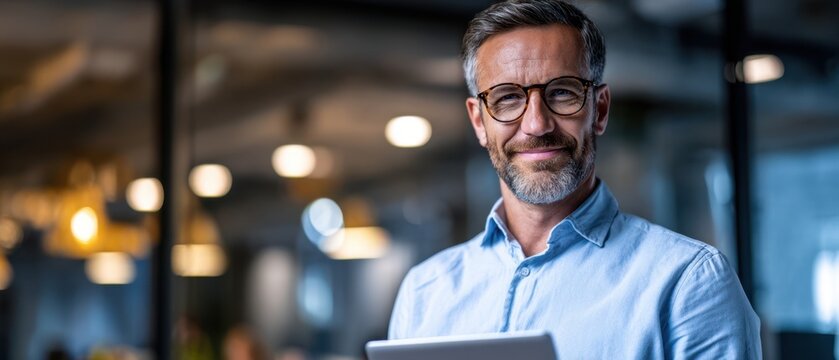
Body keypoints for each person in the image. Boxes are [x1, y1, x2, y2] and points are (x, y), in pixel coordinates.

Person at [387, 0, 761, 358]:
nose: (536, 124)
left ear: (600, 109)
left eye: (562, 93)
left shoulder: (689, 283)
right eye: (507, 98)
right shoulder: (424, 292)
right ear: (478, 122)